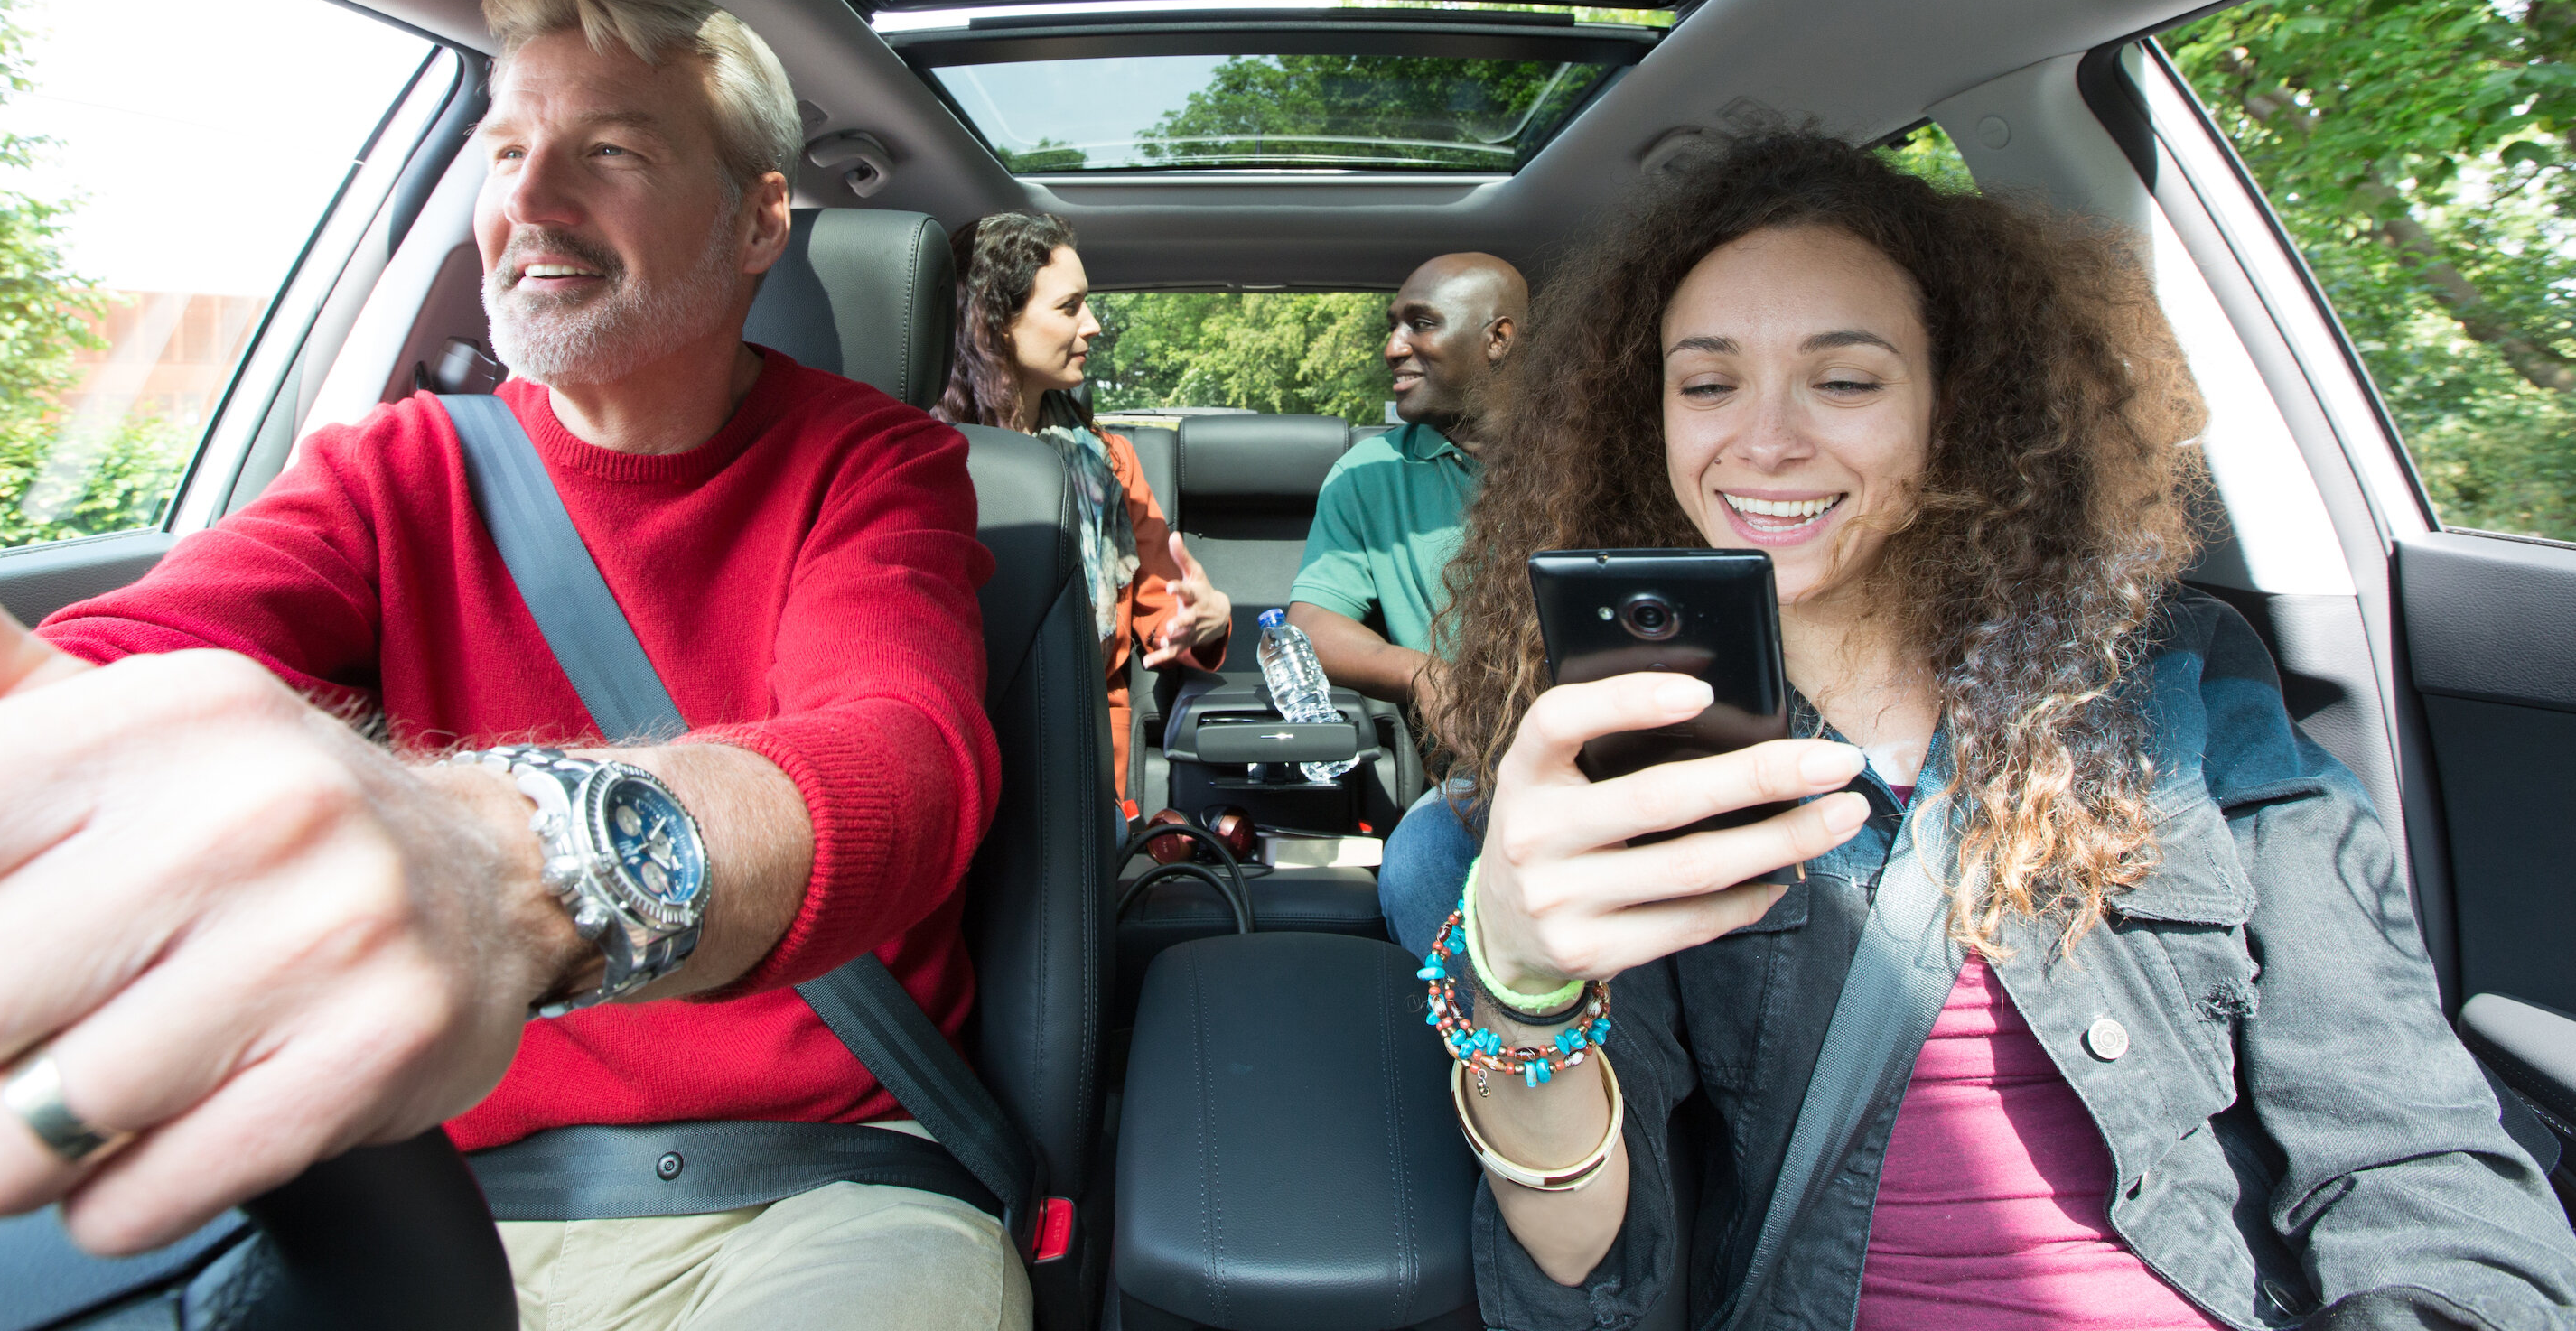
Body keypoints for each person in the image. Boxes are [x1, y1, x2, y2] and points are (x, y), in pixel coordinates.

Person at [0, 0, 1028, 1330]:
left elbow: (901, 758)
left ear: (761, 219)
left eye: (610, 150)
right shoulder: (385, 470)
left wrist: (515, 870)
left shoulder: (875, 463)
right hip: (408, 1191)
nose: (529, 202)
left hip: (816, 1192)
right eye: (504, 149)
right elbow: (135, 674)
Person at [1401, 131, 2576, 1328]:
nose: (1762, 442)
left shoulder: (2178, 685)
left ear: (1953, 407)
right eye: (1707, 383)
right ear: (1647, 414)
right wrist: (1518, 992)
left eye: (1844, 380)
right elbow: (1592, 1272)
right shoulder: (1630, 748)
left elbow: (2406, 1149)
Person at [934, 212, 1230, 811]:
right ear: (995, 322)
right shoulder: (922, 461)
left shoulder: (1109, 463)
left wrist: (1210, 617)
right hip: (951, 760)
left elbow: (1167, 609)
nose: (1093, 326)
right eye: (1070, 307)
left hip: (1084, 777)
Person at [1282, 254, 1524, 942]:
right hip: (1483, 775)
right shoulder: (1368, 476)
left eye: (1421, 324)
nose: (1393, 347)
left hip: (1621, 763)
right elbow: (1312, 623)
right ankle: (1487, 1050)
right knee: (1421, 861)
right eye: (1393, 327)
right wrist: (1421, 674)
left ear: (1497, 338)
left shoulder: (1591, 459)